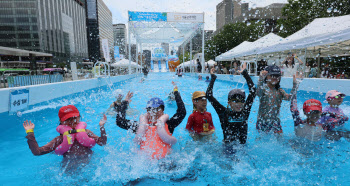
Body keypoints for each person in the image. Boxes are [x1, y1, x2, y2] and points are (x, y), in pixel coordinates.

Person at [23, 105, 107, 170]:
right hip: (70, 168)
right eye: (67, 120)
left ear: (79, 118)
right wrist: (30, 133)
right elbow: (37, 152)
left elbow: (102, 142)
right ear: (61, 121)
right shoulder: (60, 140)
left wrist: (102, 127)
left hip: (90, 164)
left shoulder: (86, 133)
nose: (72, 122)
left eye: (74, 118)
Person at [206, 62, 256, 145]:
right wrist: (213, 78)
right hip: (227, 148)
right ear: (229, 103)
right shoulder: (223, 112)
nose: (239, 104)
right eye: (235, 101)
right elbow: (209, 95)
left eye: (242, 101)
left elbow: (253, 92)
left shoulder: (245, 111)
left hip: (242, 148)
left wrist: (245, 74)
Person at [115, 81, 186, 135]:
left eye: (157, 109)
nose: (153, 112)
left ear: (163, 110)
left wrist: (176, 92)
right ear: (147, 111)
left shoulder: (169, 125)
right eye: (150, 109)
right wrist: (125, 102)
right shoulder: (141, 127)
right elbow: (119, 121)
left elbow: (182, 112)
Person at [256, 65, 298, 134]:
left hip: (275, 122)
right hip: (263, 121)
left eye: (277, 76)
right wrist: (260, 79)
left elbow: (289, 98)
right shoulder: (263, 90)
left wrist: (295, 85)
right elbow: (258, 92)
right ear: (266, 76)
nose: (275, 78)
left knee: (280, 141)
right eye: (272, 75)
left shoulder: (279, 91)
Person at [290, 73, 325, 141]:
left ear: (321, 112)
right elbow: (293, 109)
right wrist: (295, 87)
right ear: (305, 112)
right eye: (311, 112)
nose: (314, 115)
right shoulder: (299, 124)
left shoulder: (322, 126)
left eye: (316, 112)